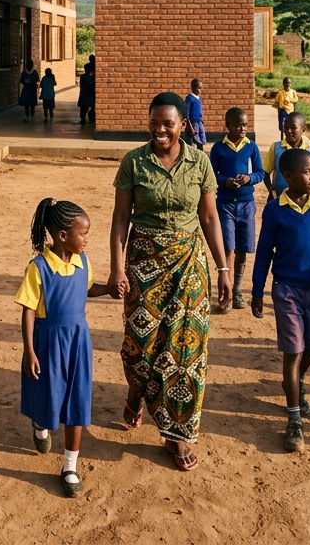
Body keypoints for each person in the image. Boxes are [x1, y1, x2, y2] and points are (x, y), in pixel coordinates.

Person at [108, 92, 231, 471]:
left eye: (168, 124)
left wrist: (223, 268)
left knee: (186, 349)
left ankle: (177, 435)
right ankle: (136, 391)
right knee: (140, 347)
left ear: (184, 125)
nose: (160, 130)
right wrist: (116, 268)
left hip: (189, 265)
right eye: (154, 124)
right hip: (142, 265)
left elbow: (210, 218)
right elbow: (119, 219)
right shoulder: (134, 162)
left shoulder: (200, 163)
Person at [251, 148, 310, 453]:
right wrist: (256, 291)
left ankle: (294, 381)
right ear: (287, 178)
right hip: (286, 290)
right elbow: (264, 252)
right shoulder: (275, 210)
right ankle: (294, 421)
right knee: (294, 350)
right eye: (308, 172)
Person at [17, 198, 110, 497]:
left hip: (78, 339)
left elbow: (87, 288)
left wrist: (108, 288)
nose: (86, 239)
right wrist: (29, 350)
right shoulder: (39, 267)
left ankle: (69, 466)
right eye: (82, 234)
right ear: (62, 236)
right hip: (47, 341)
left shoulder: (83, 261)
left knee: (77, 399)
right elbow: (28, 310)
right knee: (47, 394)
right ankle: (39, 423)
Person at [208, 107, 265, 310]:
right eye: (239, 125)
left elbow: (261, 172)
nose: (243, 129)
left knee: (243, 248)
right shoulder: (218, 149)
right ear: (228, 126)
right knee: (228, 248)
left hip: (246, 204)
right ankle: (226, 293)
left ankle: (238, 289)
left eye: (245, 125)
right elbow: (211, 174)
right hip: (225, 205)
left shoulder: (251, 147)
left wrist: (249, 178)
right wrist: (225, 182)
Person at [269, 113, 310, 198]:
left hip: (305, 199)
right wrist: (271, 190)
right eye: (285, 127)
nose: (289, 131)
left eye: (293, 128)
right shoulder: (276, 148)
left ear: (303, 130)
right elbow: (265, 171)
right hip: (280, 197)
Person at [184, 78, 206, 151]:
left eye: (201, 88)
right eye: (199, 88)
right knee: (193, 140)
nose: (200, 90)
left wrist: (201, 121)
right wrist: (190, 127)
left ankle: (201, 154)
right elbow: (186, 114)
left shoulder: (199, 99)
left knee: (201, 140)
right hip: (192, 123)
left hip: (199, 122)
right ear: (193, 88)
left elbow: (199, 111)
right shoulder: (189, 98)